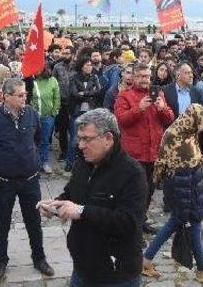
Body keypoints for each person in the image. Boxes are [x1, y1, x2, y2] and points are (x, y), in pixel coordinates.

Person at [37, 108, 147, 287]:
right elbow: (71, 194)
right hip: (82, 268)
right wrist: (56, 205)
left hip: (116, 274)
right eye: (79, 138)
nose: (80, 145)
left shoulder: (132, 173)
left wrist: (82, 211)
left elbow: (128, 222)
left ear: (108, 139)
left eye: (86, 139)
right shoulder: (83, 163)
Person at [141, 104, 203, 285]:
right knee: (193, 224)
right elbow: (183, 175)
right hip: (185, 193)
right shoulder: (178, 138)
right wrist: (189, 206)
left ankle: (145, 260)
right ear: (193, 120)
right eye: (202, 122)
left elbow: (197, 162)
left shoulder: (186, 134)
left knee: (175, 223)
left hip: (189, 190)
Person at [0, 78, 54, 281]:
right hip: (3, 181)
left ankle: (39, 258)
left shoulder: (30, 113)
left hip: (30, 179)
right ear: (6, 96)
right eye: (20, 95)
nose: (24, 98)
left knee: (34, 221)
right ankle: (0, 261)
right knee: (2, 223)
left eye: (25, 95)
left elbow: (38, 138)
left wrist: (31, 158)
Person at [115, 63, 174, 231]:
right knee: (135, 193)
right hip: (135, 155)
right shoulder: (124, 96)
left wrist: (162, 109)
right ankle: (132, 227)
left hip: (155, 153)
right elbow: (121, 120)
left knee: (149, 191)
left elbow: (169, 118)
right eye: (141, 76)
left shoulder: (158, 94)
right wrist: (138, 108)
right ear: (133, 77)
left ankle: (140, 220)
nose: (145, 80)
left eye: (147, 76)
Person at [67, 57, 104, 171]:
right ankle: (70, 163)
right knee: (74, 139)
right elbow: (74, 94)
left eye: (90, 65)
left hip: (91, 111)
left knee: (90, 139)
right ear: (81, 66)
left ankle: (88, 162)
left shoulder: (94, 77)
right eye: (87, 65)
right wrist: (89, 95)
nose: (89, 67)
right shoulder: (74, 77)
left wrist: (85, 93)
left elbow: (99, 91)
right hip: (78, 111)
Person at [31, 66, 61, 174]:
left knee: (44, 141)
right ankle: (33, 163)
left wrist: (54, 112)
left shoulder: (52, 80)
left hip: (47, 117)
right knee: (32, 141)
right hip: (32, 117)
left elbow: (57, 98)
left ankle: (44, 162)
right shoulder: (30, 81)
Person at [52, 46, 74, 161]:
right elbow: (53, 83)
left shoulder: (77, 66)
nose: (65, 55)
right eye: (63, 53)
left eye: (67, 53)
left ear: (73, 54)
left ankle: (74, 152)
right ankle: (64, 151)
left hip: (74, 102)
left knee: (74, 128)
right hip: (61, 102)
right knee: (63, 129)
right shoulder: (57, 67)